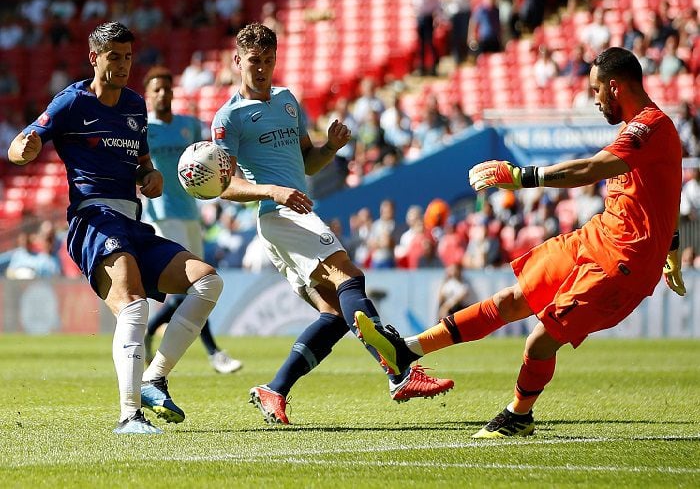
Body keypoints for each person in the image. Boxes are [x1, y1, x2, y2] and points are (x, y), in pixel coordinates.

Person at [355, 47, 686, 438]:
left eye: (596, 91)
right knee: (509, 302)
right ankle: (405, 350)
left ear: (614, 87)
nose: (595, 100)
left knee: (541, 340)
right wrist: (674, 253)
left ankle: (518, 415)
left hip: (622, 263)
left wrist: (523, 175)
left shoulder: (649, 128)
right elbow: (661, 199)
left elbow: (592, 169)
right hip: (594, 239)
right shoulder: (637, 130)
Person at [210, 22, 453, 425]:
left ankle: (275, 389)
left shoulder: (288, 101)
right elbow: (223, 185)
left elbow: (307, 161)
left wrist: (331, 148)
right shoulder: (229, 117)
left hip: (294, 211)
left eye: (269, 60)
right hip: (280, 214)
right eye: (254, 61)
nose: (262, 69)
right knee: (350, 277)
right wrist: (272, 191)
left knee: (337, 314)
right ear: (237, 61)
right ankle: (399, 372)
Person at [7, 22, 224, 435]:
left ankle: (153, 379)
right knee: (134, 302)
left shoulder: (135, 105)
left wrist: (151, 177)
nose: (124, 65)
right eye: (115, 57)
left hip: (132, 221)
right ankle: (129, 416)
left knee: (208, 282)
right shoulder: (72, 101)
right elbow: (25, 141)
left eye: (128, 57)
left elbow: (143, 164)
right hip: (92, 218)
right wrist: (25, 149)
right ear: (95, 57)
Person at [141, 65, 243, 375]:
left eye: (167, 88)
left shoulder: (188, 126)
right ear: (148, 95)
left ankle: (149, 331)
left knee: (191, 289)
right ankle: (215, 353)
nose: (162, 94)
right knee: (195, 285)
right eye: (156, 89)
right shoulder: (144, 129)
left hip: (190, 213)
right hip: (162, 215)